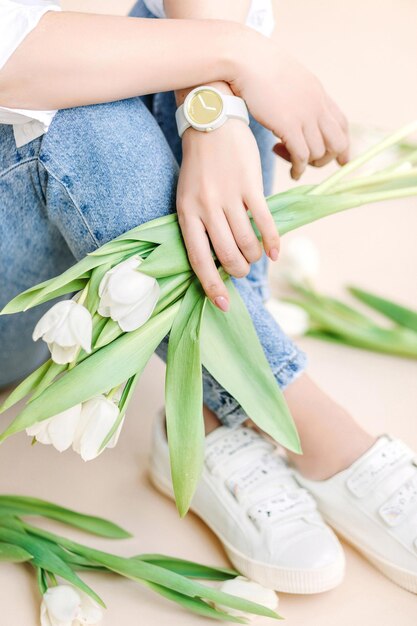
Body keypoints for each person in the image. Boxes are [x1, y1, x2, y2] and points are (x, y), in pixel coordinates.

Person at [0, 0, 415, 596]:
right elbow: (13, 58)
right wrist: (239, 56)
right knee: (79, 101)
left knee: (188, 26)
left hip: (61, 263)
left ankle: (208, 415)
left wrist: (212, 113)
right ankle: (319, 432)